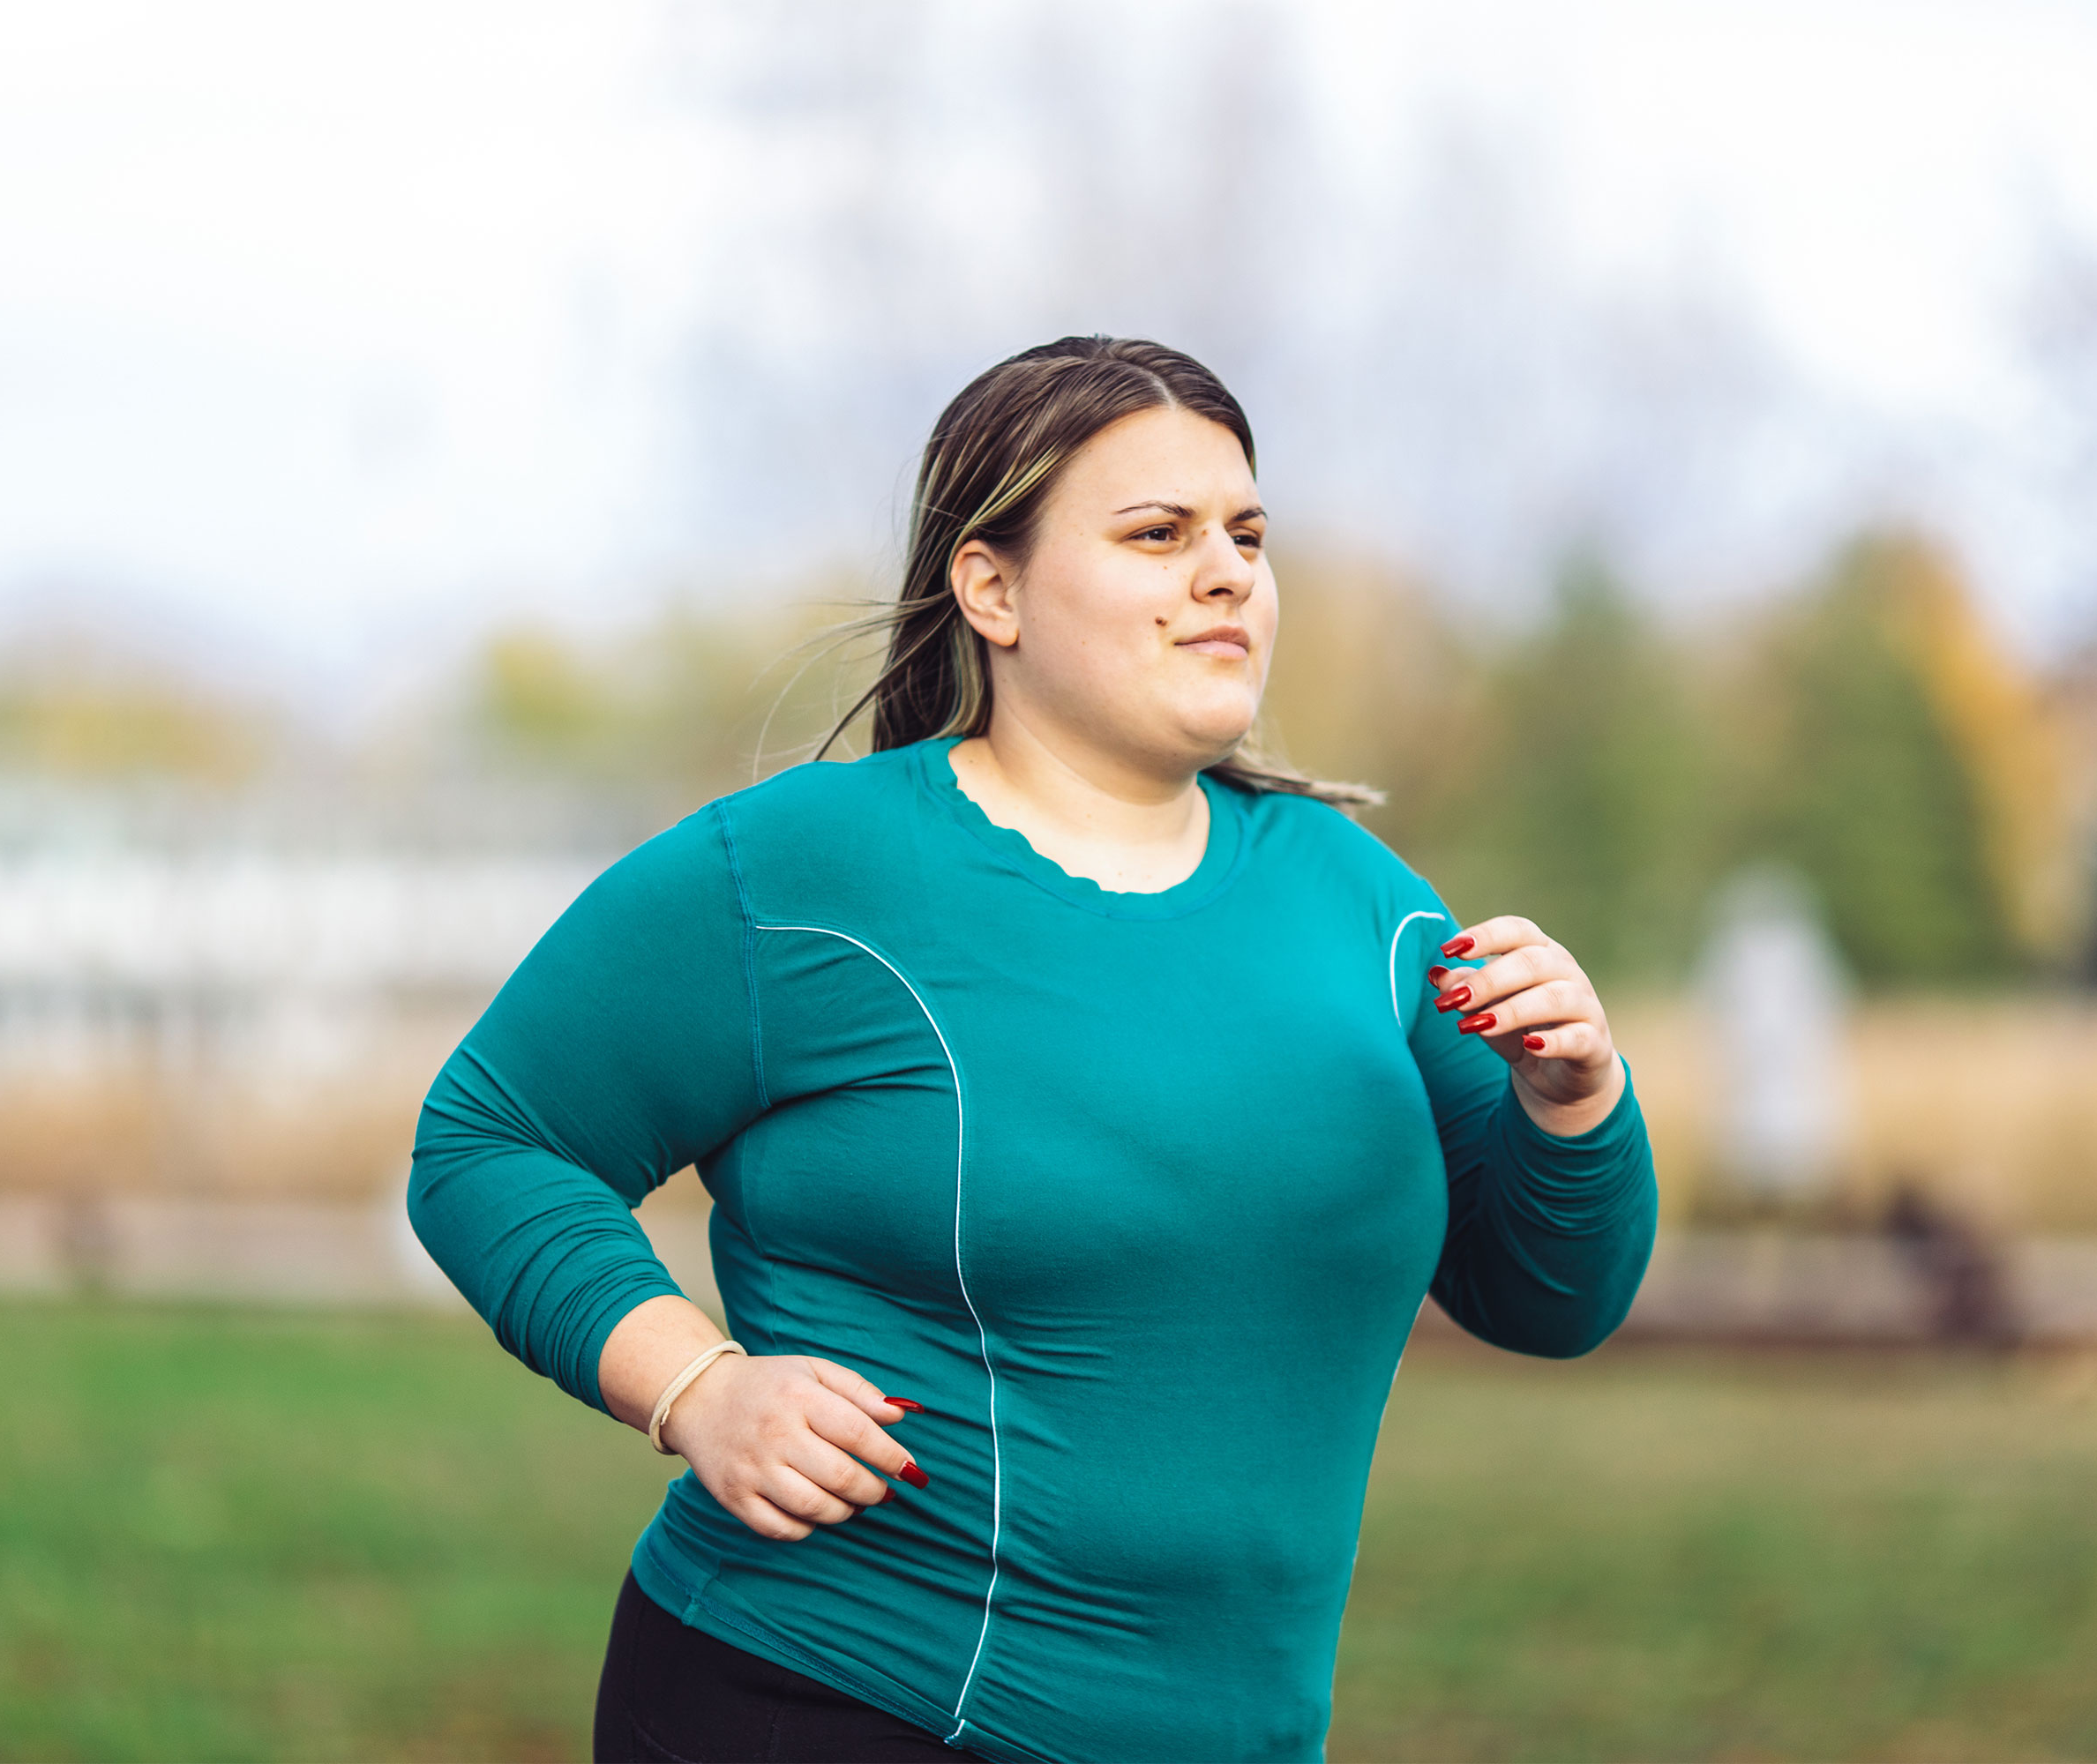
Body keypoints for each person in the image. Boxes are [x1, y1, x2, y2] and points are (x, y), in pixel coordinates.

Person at [409, 335, 1658, 1764]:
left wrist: (1575, 1101)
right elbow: (487, 1143)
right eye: (1158, 534)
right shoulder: (806, 872)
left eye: (1248, 536)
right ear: (990, 589)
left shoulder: (1361, 904)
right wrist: (693, 1387)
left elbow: (1548, 1300)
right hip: (830, 1698)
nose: (1227, 573)